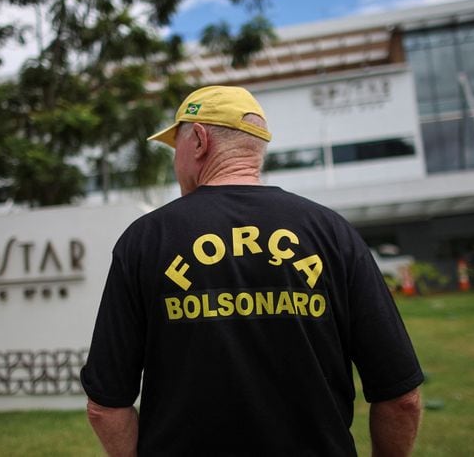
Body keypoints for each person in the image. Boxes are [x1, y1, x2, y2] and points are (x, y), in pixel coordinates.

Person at [81, 86, 423, 456]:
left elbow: (105, 406)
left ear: (198, 140)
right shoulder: (331, 233)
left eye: (174, 146)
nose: (175, 161)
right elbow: (401, 397)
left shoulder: (146, 240)